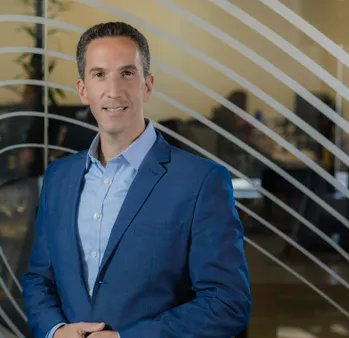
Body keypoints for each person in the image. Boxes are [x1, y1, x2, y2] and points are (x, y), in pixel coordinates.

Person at [21, 22, 251, 338]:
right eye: (99, 74)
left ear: (147, 85)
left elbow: (227, 303)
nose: (113, 90)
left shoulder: (200, 182)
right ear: (83, 89)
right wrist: (55, 330)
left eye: (127, 73)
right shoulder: (59, 178)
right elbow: (38, 279)